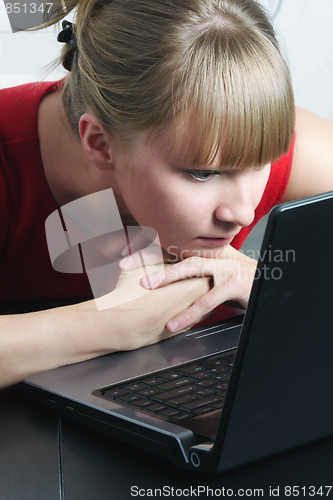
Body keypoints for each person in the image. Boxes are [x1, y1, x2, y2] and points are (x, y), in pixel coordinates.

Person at [1, 0, 333, 389]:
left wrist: (270, 283)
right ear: (101, 144)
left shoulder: (250, 139)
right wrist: (114, 324)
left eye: (261, 163)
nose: (243, 213)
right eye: (203, 173)